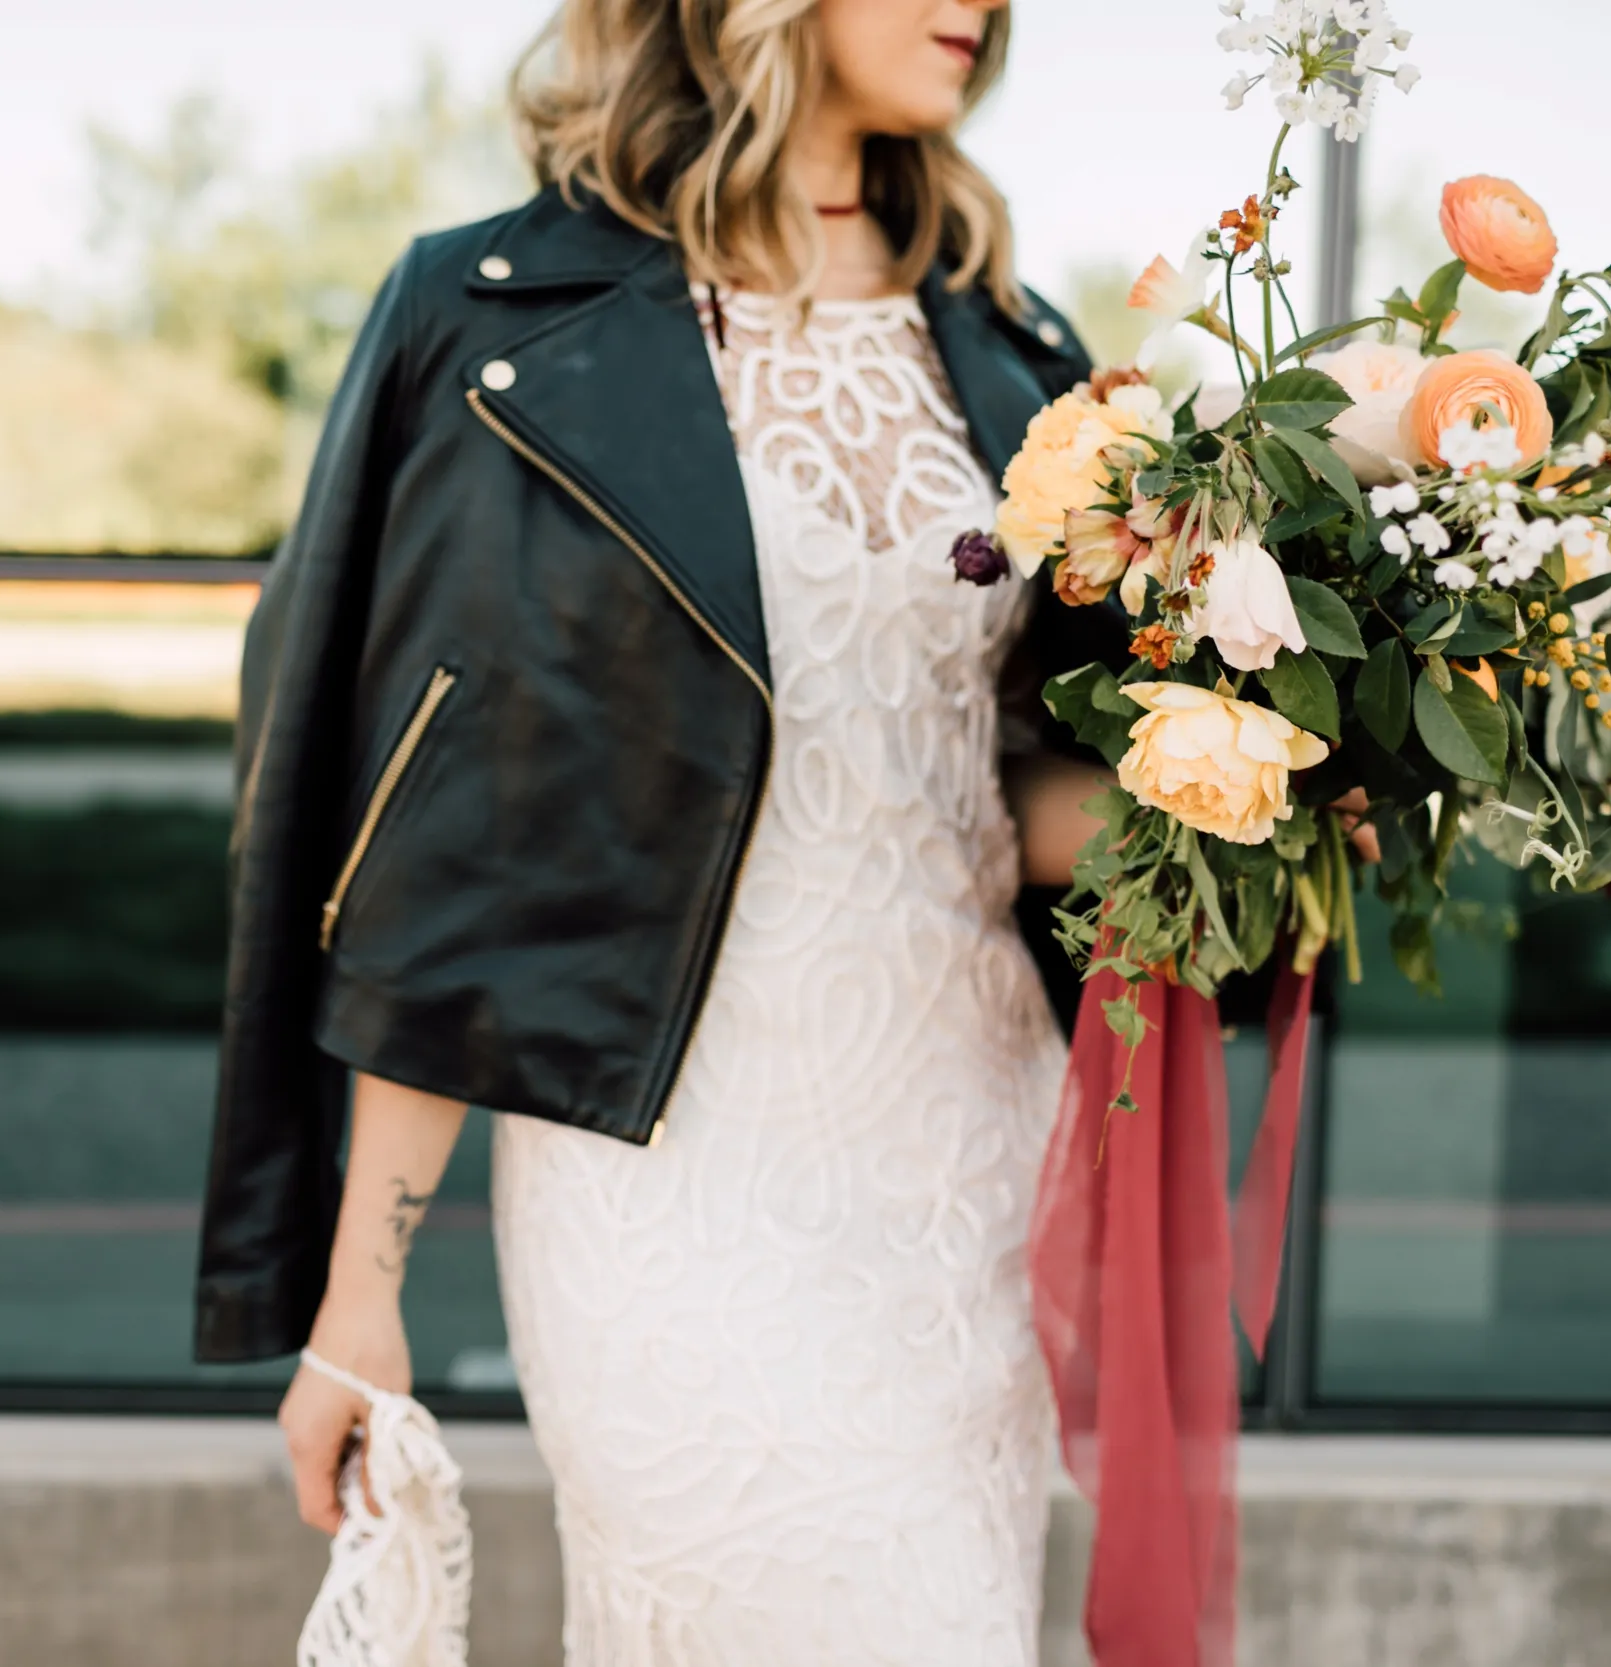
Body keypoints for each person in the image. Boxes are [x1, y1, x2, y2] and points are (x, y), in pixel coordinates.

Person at [195, 1, 1125, 1659]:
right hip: (667, 1175)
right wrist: (359, 1292)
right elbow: (462, 838)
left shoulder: (1015, 345)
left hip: (966, 1168)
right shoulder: (505, 320)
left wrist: (1256, 791)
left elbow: (1008, 797)